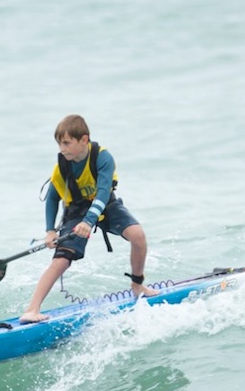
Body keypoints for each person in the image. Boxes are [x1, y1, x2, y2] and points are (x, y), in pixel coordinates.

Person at [20, 114, 158, 323]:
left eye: (66, 143)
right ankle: (32, 309)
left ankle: (137, 285)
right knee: (61, 261)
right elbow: (52, 199)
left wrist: (89, 221)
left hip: (105, 204)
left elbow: (103, 192)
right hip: (76, 211)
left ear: (83, 140)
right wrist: (50, 231)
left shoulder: (102, 157)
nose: (62, 149)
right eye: (59, 143)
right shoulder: (62, 167)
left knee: (137, 236)